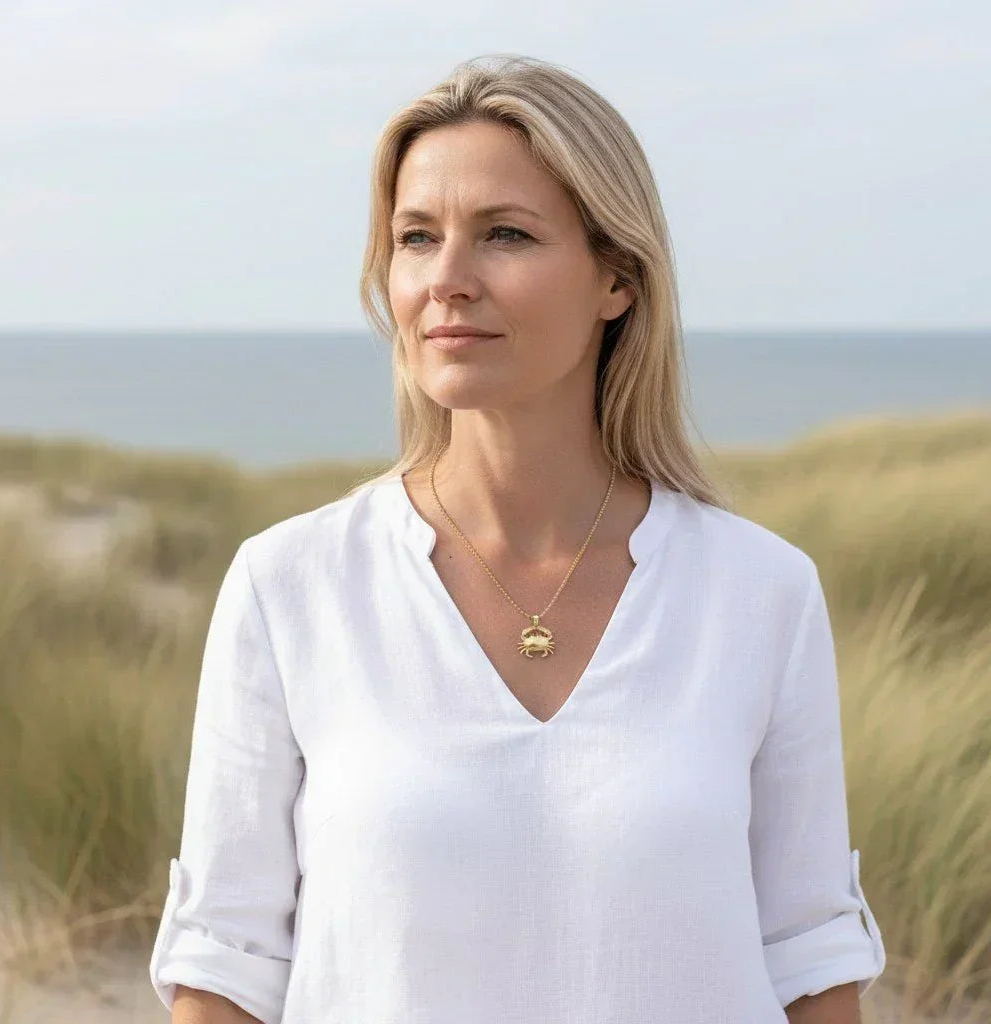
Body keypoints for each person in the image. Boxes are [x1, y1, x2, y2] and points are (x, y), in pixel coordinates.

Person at [148, 53, 886, 1024]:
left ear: (615, 278)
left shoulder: (759, 590)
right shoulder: (290, 585)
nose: (446, 280)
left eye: (504, 234)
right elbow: (225, 962)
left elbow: (809, 954)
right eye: (416, 238)